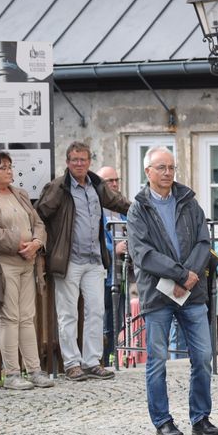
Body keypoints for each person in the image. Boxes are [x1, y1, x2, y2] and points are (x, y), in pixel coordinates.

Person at [126, 148, 218, 435]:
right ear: (148, 172)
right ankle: (162, 421)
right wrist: (180, 275)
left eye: (171, 167)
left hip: (191, 293)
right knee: (157, 359)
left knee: (203, 356)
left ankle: (200, 417)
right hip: (158, 294)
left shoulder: (189, 202)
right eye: (161, 167)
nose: (167, 173)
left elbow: (203, 242)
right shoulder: (138, 209)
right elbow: (143, 253)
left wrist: (190, 276)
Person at [35, 141, 130, 381]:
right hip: (68, 260)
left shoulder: (96, 184)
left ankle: (91, 361)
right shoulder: (59, 186)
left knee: (96, 311)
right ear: (67, 162)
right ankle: (71, 364)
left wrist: (141, 209)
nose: (79, 164)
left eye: (83, 160)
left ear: (89, 162)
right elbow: (40, 214)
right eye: (75, 159)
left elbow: (118, 202)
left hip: (95, 259)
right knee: (68, 314)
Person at [0, 152, 52, 390]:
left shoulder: (20, 194)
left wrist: (36, 243)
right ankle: (12, 374)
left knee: (28, 317)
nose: (9, 171)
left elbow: (38, 223)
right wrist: (18, 245)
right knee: (10, 317)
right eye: (3, 168)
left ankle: (34, 370)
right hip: (3, 262)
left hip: (29, 261)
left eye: (10, 167)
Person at [97, 166, 130, 367]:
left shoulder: (121, 208)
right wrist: (113, 249)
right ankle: (102, 361)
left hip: (122, 274)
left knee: (117, 322)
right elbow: (95, 241)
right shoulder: (96, 208)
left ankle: (112, 359)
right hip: (103, 276)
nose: (115, 184)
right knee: (103, 323)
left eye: (117, 179)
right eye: (110, 181)